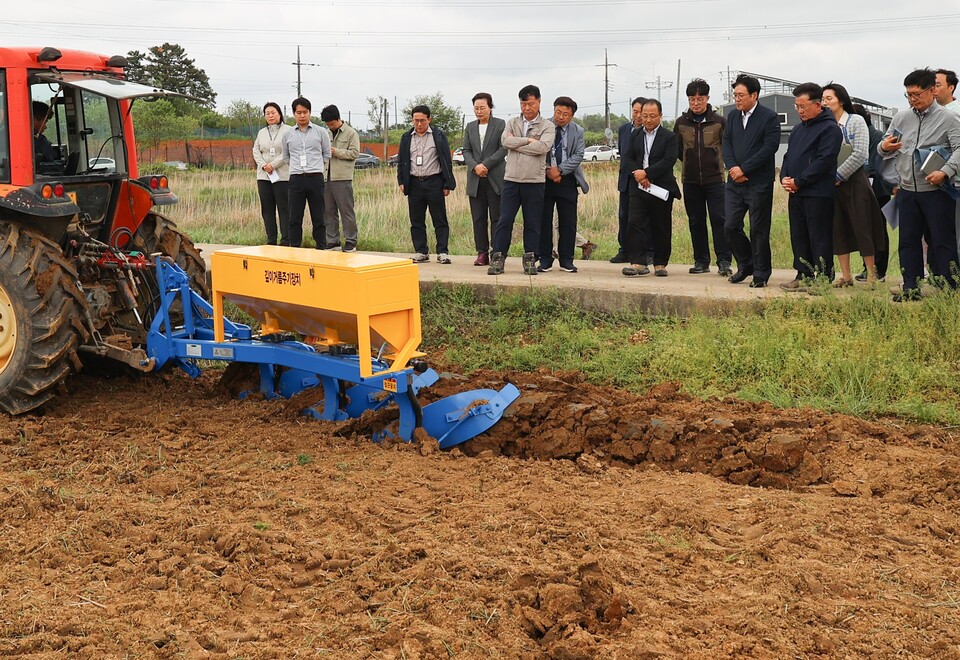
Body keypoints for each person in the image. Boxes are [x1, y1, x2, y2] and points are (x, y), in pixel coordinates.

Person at [879, 68, 960, 301]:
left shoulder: (949, 118)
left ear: (932, 91)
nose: (913, 99)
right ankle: (910, 287)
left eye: (917, 94)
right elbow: (883, 146)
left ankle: (949, 287)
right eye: (909, 95)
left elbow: (958, 149)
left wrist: (945, 172)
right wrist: (885, 147)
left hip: (936, 191)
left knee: (941, 240)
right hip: (906, 190)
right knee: (908, 241)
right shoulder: (901, 117)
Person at [778, 83, 842, 290]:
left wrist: (800, 181)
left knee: (819, 237)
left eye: (803, 106)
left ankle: (823, 278)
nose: (800, 111)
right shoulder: (797, 129)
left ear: (817, 105)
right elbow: (789, 156)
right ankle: (803, 274)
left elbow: (824, 161)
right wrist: (785, 177)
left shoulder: (830, 128)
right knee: (799, 235)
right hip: (796, 193)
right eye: (797, 107)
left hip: (818, 193)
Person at [821, 83, 887, 287]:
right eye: (823, 99)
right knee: (837, 228)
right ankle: (846, 275)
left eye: (829, 98)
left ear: (841, 100)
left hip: (855, 181)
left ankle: (871, 275)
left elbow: (860, 154)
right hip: (832, 184)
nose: (825, 102)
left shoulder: (855, 121)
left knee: (863, 226)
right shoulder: (823, 124)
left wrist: (839, 174)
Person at [488, 84, 555, 276]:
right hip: (511, 180)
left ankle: (530, 259)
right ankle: (498, 258)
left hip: (534, 181)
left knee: (532, 222)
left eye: (531, 103)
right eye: (523, 104)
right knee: (505, 220)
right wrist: (526, 141)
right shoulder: (512, 123)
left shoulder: (547, 126)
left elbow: (542, 148)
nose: (527, 108)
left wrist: (516, 144)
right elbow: (505, 142)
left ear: (539, 102)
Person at [722, 74, 782, 288]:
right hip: (735, 182)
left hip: (758, 182)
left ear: (754, 95)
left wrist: (745, 168)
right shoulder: (732, 117)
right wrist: (733, 168)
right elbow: (726, 144)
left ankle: (761, 273)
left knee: (758, 228)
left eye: (740, 95)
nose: (736, 99)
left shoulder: (769, 117)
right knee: (730, 225)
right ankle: (746, 263)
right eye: (735, 95)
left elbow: (769, 148)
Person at [674, 78, 732, 276]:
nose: (696, 103)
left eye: (700, 99)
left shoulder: (719, 122)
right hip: (690, 180)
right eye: (692, 99)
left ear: (707, 98)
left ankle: (724, 260)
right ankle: (701, 261)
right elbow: (678, 150)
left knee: (719, 219)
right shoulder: (681, 123)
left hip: (715, 179)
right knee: (696, 221)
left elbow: (727, 148)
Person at [621, 99, 680, 278]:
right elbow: (627, 157)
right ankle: (638, 262)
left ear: (660, 116)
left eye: (652, 116)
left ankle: (660, 263)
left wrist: (646, 173)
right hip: (638, 187)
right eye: (644, 115)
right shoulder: (635, 135)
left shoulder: (669, 137)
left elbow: (669, 160)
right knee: (635, 223)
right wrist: (638, 174)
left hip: (660, 187)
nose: (648, 119)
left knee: (660, 225)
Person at [397, 105, 456, 263]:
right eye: (416, 120)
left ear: (429, 119)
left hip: (434, 182)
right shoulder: (406, 137)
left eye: (422, 120)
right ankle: (421, 251)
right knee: (416, 220)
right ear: (412, 120)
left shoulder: (438, 135)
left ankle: (442, 252)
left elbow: (445, 160)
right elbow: (401, 161)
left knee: (439, 219)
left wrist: (447, 183)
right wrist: (401, 181)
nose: (419, 124)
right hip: (414, 182)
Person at [538, 96, 589, 273]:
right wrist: (549, 171)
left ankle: (567, 260)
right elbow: (537, 151)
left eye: (565, 114)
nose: (561, 117)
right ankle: (545, 259)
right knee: (543, 220)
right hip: (544, 178)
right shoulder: (543, 126)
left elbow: (578, 155)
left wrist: (559, 170)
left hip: (567, 179)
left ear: (572, 115)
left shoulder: (578, 131)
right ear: (553, 110)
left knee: (568, 221)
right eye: (558, 112)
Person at [462, 92, 506, 266]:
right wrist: (475, 166)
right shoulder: (470, 127)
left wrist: (485, 165)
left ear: (490, 107)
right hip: (475, 179)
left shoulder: (500, 124)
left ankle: (496, 252)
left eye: (482, 108)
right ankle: (482, 252)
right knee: (478, 218)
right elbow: (466, 150)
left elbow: (503, 149)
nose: (479, 111)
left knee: (496, 217)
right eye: (476, 108)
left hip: (494, 178)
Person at [282, 97, 331, 248]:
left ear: (309, 112)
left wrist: (314, 167)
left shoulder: (321, 132)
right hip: (296, 178)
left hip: (315, 177)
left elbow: (326, 153)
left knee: (319, 216)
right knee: (294, 217)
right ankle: (295, 247)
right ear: (294, 114)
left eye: (305, 112)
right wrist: (298, 168)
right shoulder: (288, 134)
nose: (302, 115)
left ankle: (321, 246)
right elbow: (286, 156)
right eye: (299, 112)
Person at [852, 103, 892, 282]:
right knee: (864, 228)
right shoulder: (860, 134)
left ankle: (879, 270)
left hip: (877, 188)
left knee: (878, 229)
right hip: (864, 185)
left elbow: (875, 162)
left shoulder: (875, 136)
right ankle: (868, 268)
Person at [320, 104, 360, 252]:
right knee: (328, 211)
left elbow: (354, 153)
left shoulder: (351, 133)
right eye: (327, 124)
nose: (330, 126)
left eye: (332, 123)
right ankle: (332, 240)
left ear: (338, 119)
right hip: (326, 176)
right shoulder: (325, 133)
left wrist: (336, 152)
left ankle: (351, 240)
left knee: (346, 211)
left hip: (342, 178)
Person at [611, 98, 645, 264]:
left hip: (644, 180)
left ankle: (645, 252)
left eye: (641, 112)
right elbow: (623, 153)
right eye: (635, 111)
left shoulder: (649, 130)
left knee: (641, 218)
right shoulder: (624, 129)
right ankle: (624, 250)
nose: (638, 115)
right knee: (624, 216)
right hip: (625, 179)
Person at [252, 102, 291, 246]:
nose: (270, 115)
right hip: (264, 176)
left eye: (273, 112)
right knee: (267, 209)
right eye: (267, 113)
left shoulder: (288, 130)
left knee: (284, 208)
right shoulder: (262, 132)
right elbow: (255, 150)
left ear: (279, 114)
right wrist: (263, 165)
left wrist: (273, 165)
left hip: (281, 175)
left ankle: (286, 239)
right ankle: (271, 239)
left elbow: (287, 151)